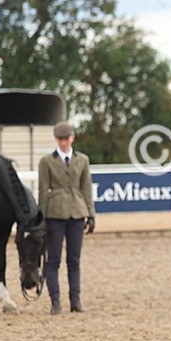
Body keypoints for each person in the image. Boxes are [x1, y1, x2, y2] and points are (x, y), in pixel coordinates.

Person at [37, 121, 95, 315]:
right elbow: (43, 190)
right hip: (55, 214)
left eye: (66, 138)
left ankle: (75, 300)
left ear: (72, 138)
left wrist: (91, 214)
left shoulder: (82, 160)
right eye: (60, 139)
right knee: (53, 260)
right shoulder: (46, 161)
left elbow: (86, 188)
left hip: (77, 212)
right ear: (56, 139)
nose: (63, 142)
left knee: (74, 260)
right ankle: (55, 301)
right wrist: (41, 216)